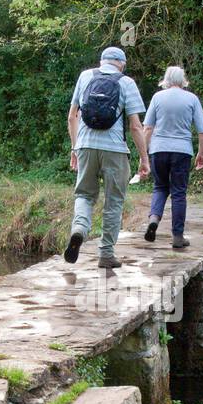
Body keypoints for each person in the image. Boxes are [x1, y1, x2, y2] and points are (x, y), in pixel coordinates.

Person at [64, 46, 149, 270]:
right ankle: (106, 254)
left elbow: (72, 116)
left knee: (84, 194)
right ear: (121, 64)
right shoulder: (126, 82)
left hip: (85, 145)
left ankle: (79, 229)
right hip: (114, 150)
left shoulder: (85, 76)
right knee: (114, 201)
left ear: (102, 61)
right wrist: (144, 159)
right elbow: (135, 126)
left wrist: (75, 149)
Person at [142, 66, 203, 249]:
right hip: (182, 151)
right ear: (183, 80)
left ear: (166, 79)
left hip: (158, 150)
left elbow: (147, 128)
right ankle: (178, 237)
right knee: (178, 192)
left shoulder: (157, 97)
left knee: (160, 187)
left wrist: (144, 155)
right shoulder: (192, 99)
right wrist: (201, 154)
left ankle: (154, 219)